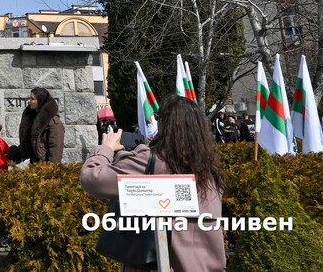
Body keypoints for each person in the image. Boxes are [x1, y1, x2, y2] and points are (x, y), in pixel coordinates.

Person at [80, 96, 226, 272]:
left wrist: (106, 149)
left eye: (158, 118)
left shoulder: (151, 161)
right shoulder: (211, 170)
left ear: (164, 123)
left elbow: (92, 179)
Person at [17, 87, 64, 163]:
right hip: (35, 164)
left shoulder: (53, 121)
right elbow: (29, 141)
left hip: (46, 166)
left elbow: (56, 147)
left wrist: (52, 169)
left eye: (32, 99)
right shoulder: (33, 118)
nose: (29, 101)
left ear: (40, 100)